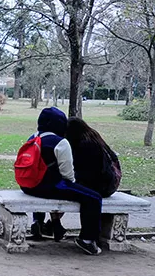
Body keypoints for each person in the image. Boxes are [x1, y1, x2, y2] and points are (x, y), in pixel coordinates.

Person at [21, 107, 104, 255]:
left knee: (46, 183)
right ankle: (87, 240)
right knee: (93, 198)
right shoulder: (61, 142)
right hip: (48, 186)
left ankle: (37, 222)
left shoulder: (33, 137)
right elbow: (68, 175)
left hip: (27, 185)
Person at [67, 117, 121, 197]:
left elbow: (84, 171)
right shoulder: (94, 137)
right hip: (110, 183)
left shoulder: (85, 144)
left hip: (101, 186)